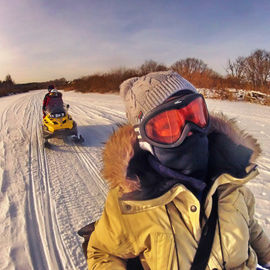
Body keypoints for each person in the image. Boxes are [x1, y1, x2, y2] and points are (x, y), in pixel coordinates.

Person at [87, 71, 270, 269]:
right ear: (145, 139)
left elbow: (250, 225)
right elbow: (101, 252)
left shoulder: (230, 177)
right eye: (169, 125)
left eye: (194, 114)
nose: (190, 130)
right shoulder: (131, 203)